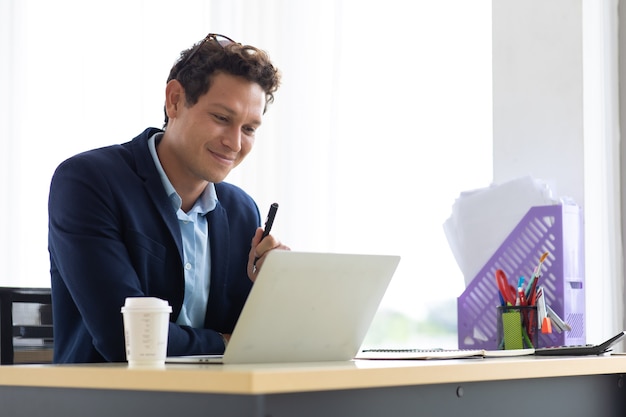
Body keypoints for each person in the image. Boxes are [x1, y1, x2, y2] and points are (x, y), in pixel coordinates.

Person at [48, 33, 288, 363]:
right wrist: (228, 342)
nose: (235, 143)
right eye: (221, 118)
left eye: (249, 129)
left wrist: (273, 288)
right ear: (174, 100)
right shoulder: (88, 182)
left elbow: (253, 342)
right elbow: (126, 339)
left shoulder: (240, 210)